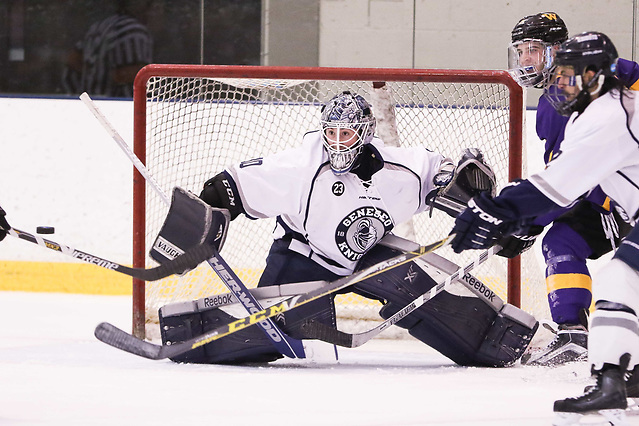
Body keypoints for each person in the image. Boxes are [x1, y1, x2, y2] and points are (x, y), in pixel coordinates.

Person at [158, 91, 538, 366]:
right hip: (304, 256)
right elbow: (229, 186)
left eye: (348, 134)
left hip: (369, 254)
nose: (338, 143)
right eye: (332, 133)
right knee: (276, 332)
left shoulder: (401, 170)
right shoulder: (299, 167)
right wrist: (206, 218)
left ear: (366, 133)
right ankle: (189, 337)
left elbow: (451, 183)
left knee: (424, 288)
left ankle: (499, 343)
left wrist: (499, 223)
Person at [451, 31, 639, 423]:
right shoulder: (610, 100)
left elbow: (558, 186)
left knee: (619, 280)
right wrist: (512, 214)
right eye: (559, 75)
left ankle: (612, 383)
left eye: (569, 75)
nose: (560, 84)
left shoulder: (610, 114)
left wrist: (497, 210)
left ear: (595, 76)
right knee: (621, 281)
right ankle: (620, 378)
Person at [507, 12, 639, 366]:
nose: (525, 61)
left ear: (556, 51)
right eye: (520, 53)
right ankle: (573, 334)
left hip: (621, 202)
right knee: (561, 241)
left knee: (620, 274)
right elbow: (564, 177)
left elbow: (567, 183)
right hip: (605, 201)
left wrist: (529, 221)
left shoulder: (592, 84)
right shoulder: (553, 102)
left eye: (532, 51)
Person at [62, 1, 153, 97]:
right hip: (119, 105)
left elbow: (72, 59)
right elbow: (123, 74)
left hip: (93, 102)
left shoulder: (99, 26)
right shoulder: (134, 31)